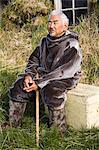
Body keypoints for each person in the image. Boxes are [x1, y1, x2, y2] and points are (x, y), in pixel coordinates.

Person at [2, 10, 82, 134]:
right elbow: (33, 60)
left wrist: (40, 83)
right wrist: (30, 75)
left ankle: (58, 131)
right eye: (49, 22)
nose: (51, 26)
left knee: (52, 91)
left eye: (55, 23)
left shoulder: (72, 44)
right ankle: (13, 124)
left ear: (65, 26)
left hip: (64, 78)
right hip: (43, 77)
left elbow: (64, 70)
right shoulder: (45, 41)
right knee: (19, 86)